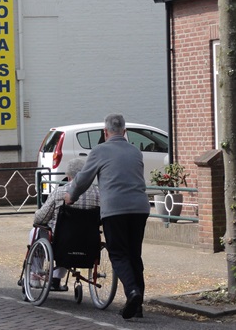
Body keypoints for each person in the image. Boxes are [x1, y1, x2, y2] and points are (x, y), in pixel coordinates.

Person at [64, 113, 150, 319]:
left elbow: (83, 178)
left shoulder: (100, 151)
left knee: (118, 253)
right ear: (125, 132)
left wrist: (71, 196)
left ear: (105, 132)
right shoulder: (136, 152)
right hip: (140, 208)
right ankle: (137, 306)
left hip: (115, 210)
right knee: (134, 254)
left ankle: (132, 292)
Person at [28, 157, 99, 291]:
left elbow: (41, 217)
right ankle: (56, 278)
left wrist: (36, 217)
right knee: (68, 239)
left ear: (68, 176)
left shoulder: (60, 192)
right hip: (88, 241)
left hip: (62, 241)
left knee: (38, 233)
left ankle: (35, 276)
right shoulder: (98, 194)